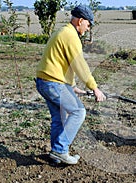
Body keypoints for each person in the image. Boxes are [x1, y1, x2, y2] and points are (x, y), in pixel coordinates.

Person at [36, 5, 106, 165]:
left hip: (44, 81)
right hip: (52, 83)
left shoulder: (63, 32)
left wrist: (72, 86)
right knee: (78, 112)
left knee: (59, 118)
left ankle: (56, 155)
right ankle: (60, 150)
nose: (88, 29)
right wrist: (94, 88)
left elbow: (63, 63)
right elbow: (79, 65)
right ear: (80, 20)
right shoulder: (70, 36)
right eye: (88, 25)